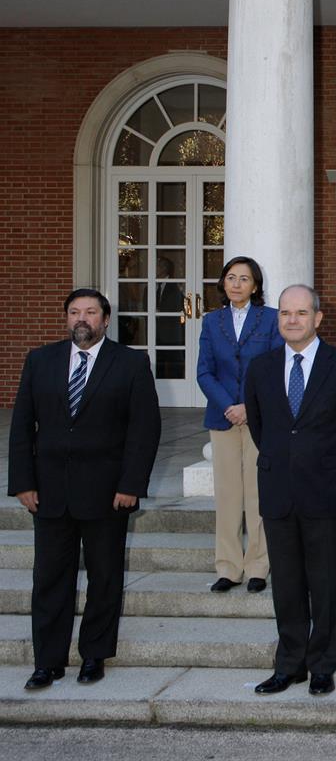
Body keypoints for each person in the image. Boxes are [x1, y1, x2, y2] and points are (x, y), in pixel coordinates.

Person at [10, 288, 161, 690]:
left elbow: (144, 430)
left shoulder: (130, 363)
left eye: (91, 312)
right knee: (49, 579)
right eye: (75, 312)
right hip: (49, 492)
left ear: (105, 320)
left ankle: (94, 655)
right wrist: (22, 482)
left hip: (108, 491)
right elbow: (22, 425)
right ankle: (48, 661)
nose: (82, 318)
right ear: (66, 319)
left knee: (104, 576)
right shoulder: (40, 360)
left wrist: (131, 484)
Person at [244, 285, 336, 697]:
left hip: (325, 489)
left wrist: (329, 463)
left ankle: (322, 665)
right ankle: (289, 664)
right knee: (286, 582)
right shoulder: (260, 367)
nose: (292, 320)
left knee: (325, 582)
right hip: (279, 488)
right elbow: (262, 428)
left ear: (318, 318)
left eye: (301, 313)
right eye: (285, 313)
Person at [197, 256, 283, 594]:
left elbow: (275, 367)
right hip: (222, 417)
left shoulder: (271, 319)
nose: (236, 284)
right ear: (223, 283)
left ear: (255, 285)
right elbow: (204, 371)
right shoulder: (211, 322)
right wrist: (228, 406)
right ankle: (229, 567)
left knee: (257, 492)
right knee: (228, 495)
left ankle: (259, 566)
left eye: (244, 278)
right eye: (230, 277)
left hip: (259, 417)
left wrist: (249, 406)